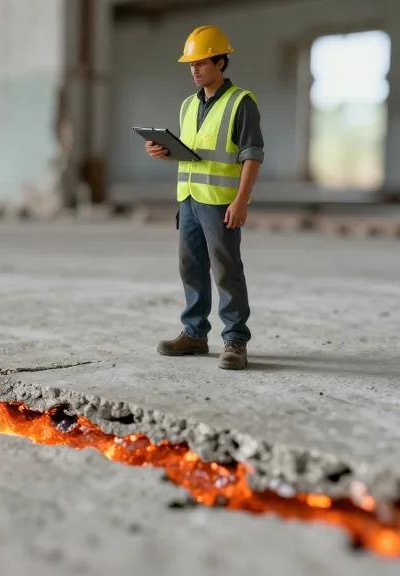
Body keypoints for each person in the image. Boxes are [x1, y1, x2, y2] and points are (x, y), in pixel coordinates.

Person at [145, 25, 263, 370]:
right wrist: (165, 152)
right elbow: (194, 153)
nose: (194, 70)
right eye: (191, 64)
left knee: (227, 270)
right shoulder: (187, 106)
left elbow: (252, 155)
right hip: (189, 200)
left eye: (201, 63)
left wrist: (241, 201)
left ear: (221, 62)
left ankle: (235, 340)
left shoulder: (242, 102)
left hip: (220, 202)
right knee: (191, 268)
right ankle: (195, 333)